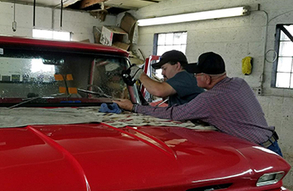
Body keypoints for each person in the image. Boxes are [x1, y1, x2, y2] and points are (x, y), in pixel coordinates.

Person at [115, 52, 282, 156]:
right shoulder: (239, 83)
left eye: (197, 74)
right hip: (271, 144)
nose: (193, 77)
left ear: (207, 78)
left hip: (256, 151)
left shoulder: (209, 99)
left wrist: (133, 107)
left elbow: (172, 113)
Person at [126, 50, 204, 106]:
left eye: (164, 68)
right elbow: (167, 100)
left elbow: (158, 91)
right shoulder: (185, 77)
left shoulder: (184, 76)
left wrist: (140, 75)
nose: (162, 73)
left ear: (178, 65)